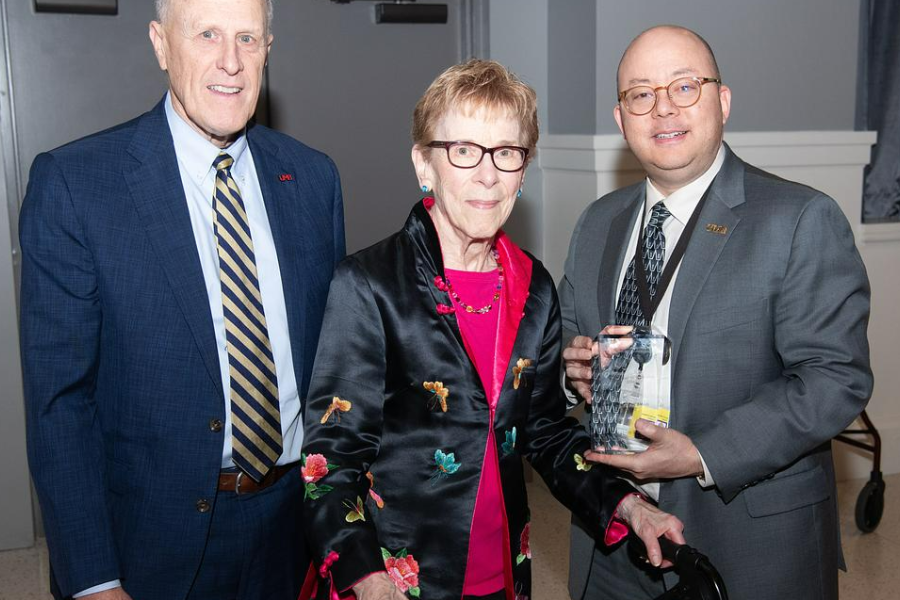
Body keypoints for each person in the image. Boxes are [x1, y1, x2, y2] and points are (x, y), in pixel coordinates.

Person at [298, 59, 683, 600]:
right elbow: (330, 460)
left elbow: (547, 431)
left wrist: (627, 503)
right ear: (424, 165)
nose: (487, 174)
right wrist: (368, 577)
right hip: (394, 578)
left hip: (503, 570)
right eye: (463, 150)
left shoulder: (534, 286)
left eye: (506, 153)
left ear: (523, 171)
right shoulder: (369, 284)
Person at [18, 0, 345, 598]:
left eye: (248, 38)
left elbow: (332, 368)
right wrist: (93, 579)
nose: (231, 61)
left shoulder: (313, 179)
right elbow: (59, 407)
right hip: (151, 539)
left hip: (292, 522)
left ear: (268, 49)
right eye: (207, 35)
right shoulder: (76, 185)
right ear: (160, 44)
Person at [561, 25, 872, 600]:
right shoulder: (596, 223)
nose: (662, 109)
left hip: (746, 538)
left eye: (684, 87)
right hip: (614, 528)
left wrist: (703, 453)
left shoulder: (800, 219)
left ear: (722, 102)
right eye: (641, 94)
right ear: (621, 116)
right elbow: (565, 343)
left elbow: (835, 378)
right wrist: (569, 372)